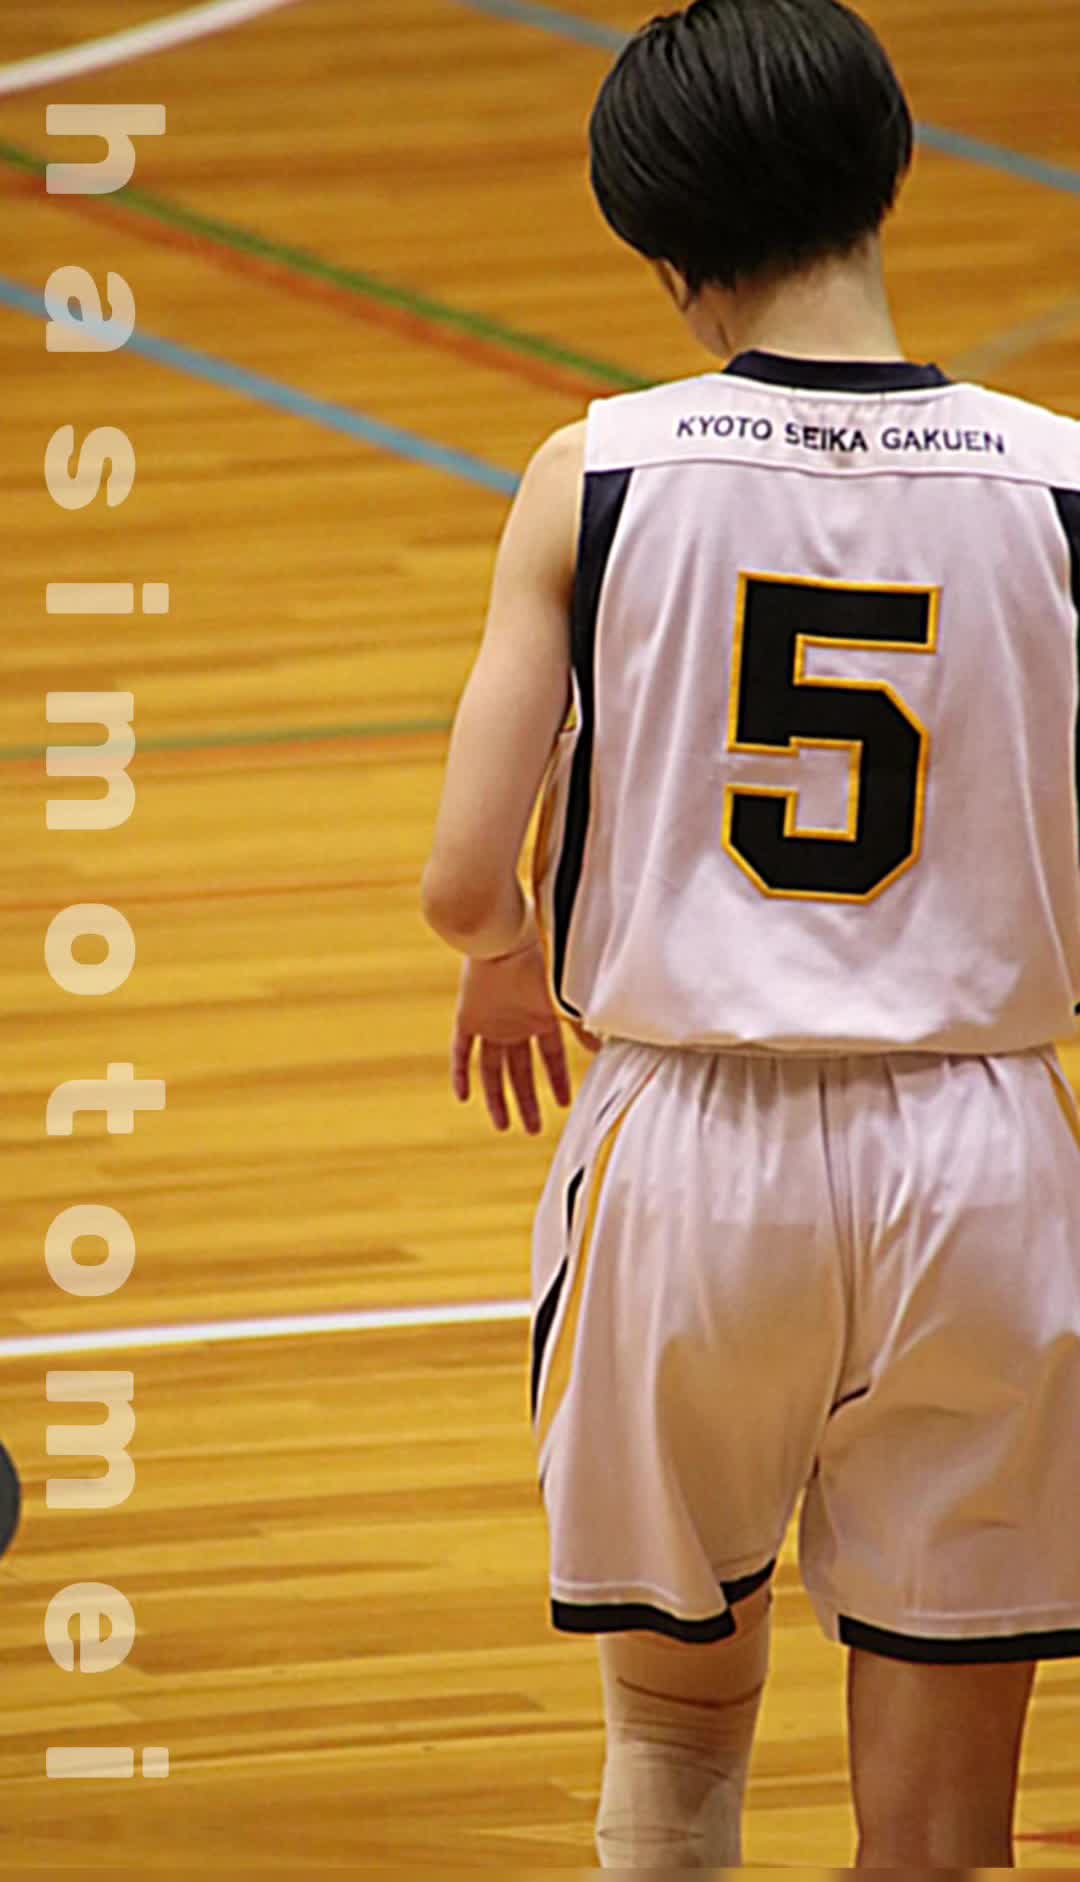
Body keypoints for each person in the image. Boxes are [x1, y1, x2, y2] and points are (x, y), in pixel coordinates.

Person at [419, 0, 1080, 1865]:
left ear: (663, 246)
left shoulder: (598, 470)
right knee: (941, 1844)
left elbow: (465, 877)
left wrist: (501, 950)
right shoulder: (1064, 479)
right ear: (889, 170)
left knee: (678, 1748)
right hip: (983, 1162)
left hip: (691, 1164)